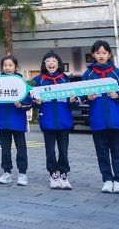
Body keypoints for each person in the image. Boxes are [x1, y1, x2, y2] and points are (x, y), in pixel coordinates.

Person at [82, 40, 119, 194]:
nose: (101, 56)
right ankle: (107, 180)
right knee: (102, 152)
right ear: (93, 55)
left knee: (118, 152)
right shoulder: (88, 74)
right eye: (98, 53)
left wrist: (118, 94)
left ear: (109, 54)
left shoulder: (117, 73)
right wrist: (87, 97)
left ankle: (118, 181)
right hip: (98, 120)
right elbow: (81, 94)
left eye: (104, 53)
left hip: (117, 120)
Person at [32, 51, 76, 189]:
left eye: (54, 61)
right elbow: (32, 101)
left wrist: (73, 100)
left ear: (58, 64)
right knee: (50, 150)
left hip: (64, 120)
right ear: (44, 64)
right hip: (48, 120)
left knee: (63, 150)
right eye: (48, 61)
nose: (51, 63)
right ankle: (53, 174)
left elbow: (73, 103)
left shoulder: (65, 79)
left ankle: (64, 174)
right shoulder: (38, 80)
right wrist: (36, 102)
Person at [0, 54, 32, 186]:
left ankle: (22, 173)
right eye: (5, 65)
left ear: (16, 67)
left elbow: (29, 101)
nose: (7, 68)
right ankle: (6, 172)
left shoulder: (21, 82)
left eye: (10, 65)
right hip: (3, 120)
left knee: (21, 148)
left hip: (17, 120)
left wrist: (21, 104)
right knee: (5, 149)